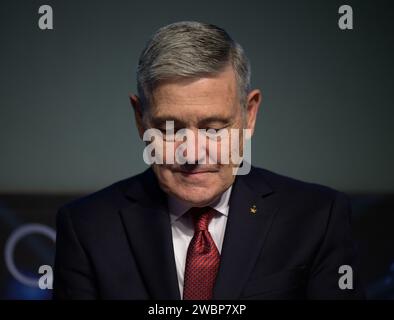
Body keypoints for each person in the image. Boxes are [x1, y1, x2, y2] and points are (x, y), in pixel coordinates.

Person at [53, 21, 364, 299]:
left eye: (213, 129)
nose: (192, 153)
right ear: (140, 119)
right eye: (168, 128)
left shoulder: (317, 217)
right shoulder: (87, 227)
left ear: (250, 114)